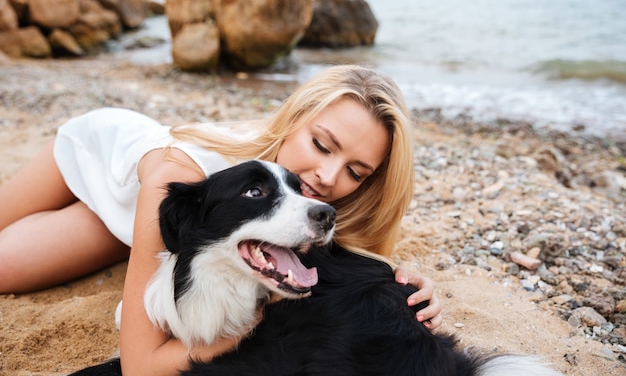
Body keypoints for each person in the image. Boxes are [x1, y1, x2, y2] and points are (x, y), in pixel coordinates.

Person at [0, 65, 442, 376]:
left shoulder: (309, 201)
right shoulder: (181, 177)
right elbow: (140, 367)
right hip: (103, 160)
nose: (327, 178)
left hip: (156, 224)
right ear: (292, 120)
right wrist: (254, 327)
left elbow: (354, 273)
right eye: (322, 145)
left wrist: (405, 285)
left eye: (354, 172)